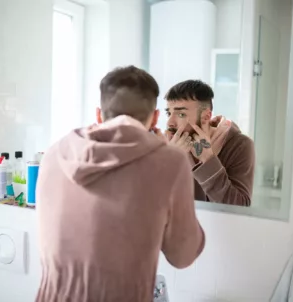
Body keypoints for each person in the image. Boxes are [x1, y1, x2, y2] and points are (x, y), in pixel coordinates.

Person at [36, 66, 205, 302]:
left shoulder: (54, 153)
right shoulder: (170, 162)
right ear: (155, 117)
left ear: (98, 114)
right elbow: (183, 255)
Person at [164, 79, 255, 207]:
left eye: (181, 114)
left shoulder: (239, 145)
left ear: (206, 116)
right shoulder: (166, 144)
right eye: (168, 113)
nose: (169, 122)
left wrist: (208, 160)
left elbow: (239, 208)